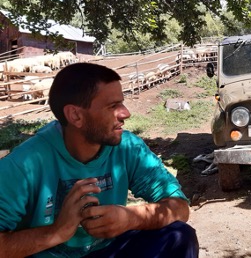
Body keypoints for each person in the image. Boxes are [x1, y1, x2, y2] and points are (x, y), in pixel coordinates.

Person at [0, 62, 199, 257]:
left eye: (122, 102)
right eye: (113, 106)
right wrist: (57, 232)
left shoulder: (128, 148)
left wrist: (130, 218)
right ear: (75, 115)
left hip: (109, 249)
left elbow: (180, 208)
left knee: (180, 237)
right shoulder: (23, 165)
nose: (126, 113)